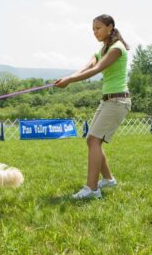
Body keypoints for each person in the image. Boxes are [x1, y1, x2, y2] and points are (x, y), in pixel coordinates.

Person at [55, 14, 131, 199]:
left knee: (94, 140)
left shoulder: (117, 48)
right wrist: (68, 78)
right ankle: (108, 180)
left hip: (117, 101)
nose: (95, 32)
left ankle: (92, 189)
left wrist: (70, 81)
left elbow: (96, 70)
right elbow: (88, 65)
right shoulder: (103, 48)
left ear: (110, 27)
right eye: (93, 30)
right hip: (107, 100)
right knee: (92, 140)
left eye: (98, 28)